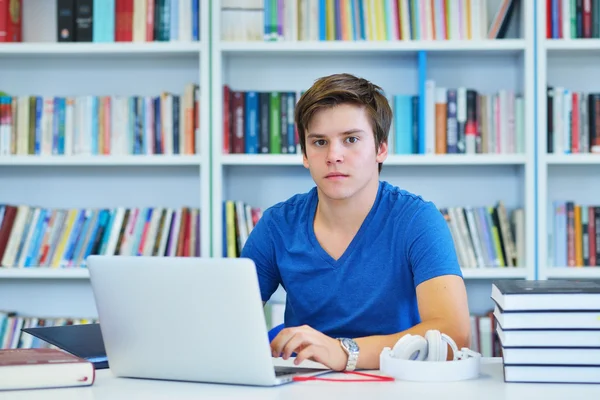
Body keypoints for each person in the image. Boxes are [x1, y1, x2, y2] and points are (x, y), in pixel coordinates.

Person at [240, 73, 471, 372]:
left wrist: (343, 352)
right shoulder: (277, 225)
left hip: (397, 384)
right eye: (319, 142)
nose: (334, 156)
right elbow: (228, 323)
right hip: (305, 387)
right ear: (305, 155)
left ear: (381, 149)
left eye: (351, 139)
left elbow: (453, 334)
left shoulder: (418, 220)